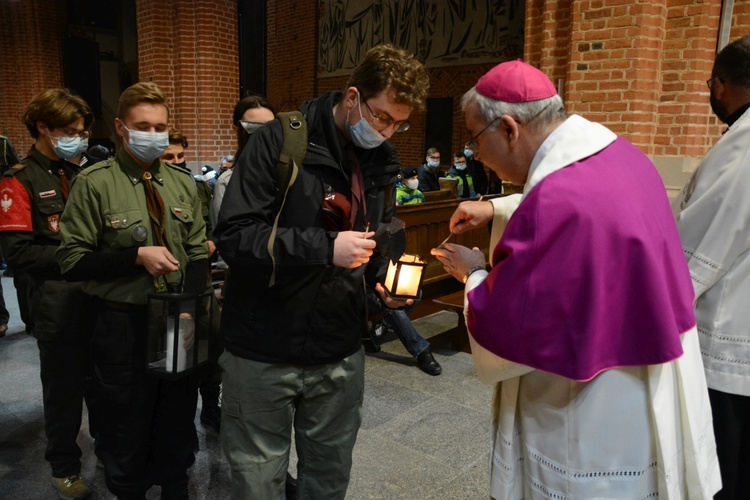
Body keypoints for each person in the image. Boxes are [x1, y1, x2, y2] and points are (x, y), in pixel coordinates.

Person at [430, 59, 721, 499]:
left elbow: (511, 323)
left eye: (474, 139)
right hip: (646, 376)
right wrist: (497, 209)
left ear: (509, 128)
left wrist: (474, 274)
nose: (477, 155)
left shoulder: (559, 200)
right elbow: (582, 211)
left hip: (588, 406)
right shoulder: (617, 155)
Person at [214, 43, 429, 499]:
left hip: (338, 348)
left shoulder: (381, 160)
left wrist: (383, 282)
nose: (388, 131)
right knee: (258, 481)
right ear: (352, 97)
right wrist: (325, 246)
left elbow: (378, 233)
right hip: (263, 348)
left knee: (328, 478)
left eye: (398, 123)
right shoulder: (279, 139)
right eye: (381, 117)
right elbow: (235, 236)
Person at [57, 82, 208, 499]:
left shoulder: (182, 183)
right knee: (126, 420)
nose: (154, 135)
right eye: (144, 126)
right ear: (122, 128)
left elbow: (197, 254)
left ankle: (176, 485)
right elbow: (71, 261)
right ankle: (128, 488)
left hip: (177, 317)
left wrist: (191, 312)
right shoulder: (95, 183)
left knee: (177, 415)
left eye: (161, 126)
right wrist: (134, 256)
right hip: (123, 323)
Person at [0, 88, 96, 499]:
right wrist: (82, 260)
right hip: (56, 301)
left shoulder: (85, 173)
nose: (77, 137)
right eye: (68, 131)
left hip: (99, 296)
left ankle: (109, 447)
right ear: (42, 127)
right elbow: (18, 252)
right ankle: (64, 465)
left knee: (106, 382)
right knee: (64, 390)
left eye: (81, 131)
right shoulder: (19, 180)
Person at [673, 36, 750, 500]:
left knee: (722, 472)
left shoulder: (741, 150)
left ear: (720, 85)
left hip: (730, 348)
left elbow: (698, 252)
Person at [161, 128, 224, 435]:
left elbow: (212, 225)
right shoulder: (155, 189)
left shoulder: (197, 187)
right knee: (180, 353)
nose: (176, 161)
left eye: (180, 156)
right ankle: (179, 424)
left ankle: (211, 409)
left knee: (212, 349)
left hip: (202, 280)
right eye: (168, 157)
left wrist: (211, 241)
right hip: (173, 284)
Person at [210, 95, 276, 231]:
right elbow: (226, 236)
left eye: (270, 128)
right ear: (237, 130)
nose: (263, 137)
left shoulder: (291, 175)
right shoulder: (228, 182)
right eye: (253, 129)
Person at [364, 288, 441, 375]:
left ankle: (382, 327)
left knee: (415, 292)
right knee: (392, 309)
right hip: (362, 289)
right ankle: (421, 350)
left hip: (383, 285)